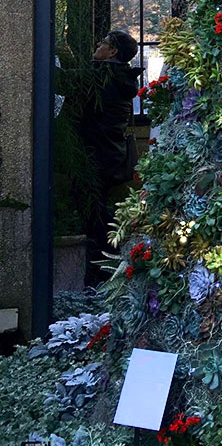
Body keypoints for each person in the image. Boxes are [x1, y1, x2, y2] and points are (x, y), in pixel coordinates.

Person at [79, 30, 142, 283]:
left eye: (103, 42)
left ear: (113, 52)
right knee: (99, 214)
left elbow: (61, 81)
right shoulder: (121, 79)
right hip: (109, 156)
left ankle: (102, 276)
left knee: (96, 219)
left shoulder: (103, 77)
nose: (97, 43)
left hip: (95, 157)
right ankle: (105, 271)